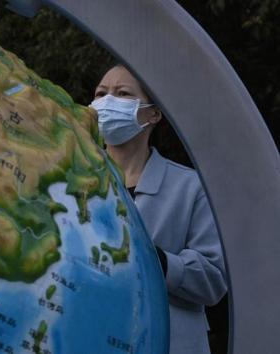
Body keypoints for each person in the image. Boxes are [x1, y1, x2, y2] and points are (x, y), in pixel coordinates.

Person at [89, 65, 227, 354]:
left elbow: (213, 281)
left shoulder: (191, 188)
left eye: (123, 93)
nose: (107, 102)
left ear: (154, 113)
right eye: (101, 94)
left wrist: (158, 262)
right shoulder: (73, 178)